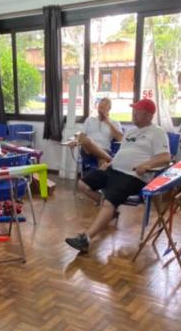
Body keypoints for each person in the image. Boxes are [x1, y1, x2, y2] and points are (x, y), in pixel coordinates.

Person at [65, 97, 171, 254]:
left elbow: (165, 157)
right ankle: (110, 212)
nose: (133, 114)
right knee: (82, 184)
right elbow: (123, 152)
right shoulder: (131, 131)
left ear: (149, 115)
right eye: (134, 111)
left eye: (137, 112)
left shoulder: (157, 132)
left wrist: (146, 165)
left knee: (109, 202)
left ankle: (85, 239)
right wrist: (111, 163)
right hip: (113, 170)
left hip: (132, 176)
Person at [71, 96, 123, 168]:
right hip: (88, 150)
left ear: (109, 108)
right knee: (86, 140)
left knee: (103, 165)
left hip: (104, 150)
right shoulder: (89, 120)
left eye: (102, 107)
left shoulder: (114, 122)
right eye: (99, 107)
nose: (99, 110)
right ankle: (111, 160)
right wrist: (75, 141)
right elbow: (82, 136)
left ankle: (104, 164)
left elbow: (120, 138)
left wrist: (108, 123)